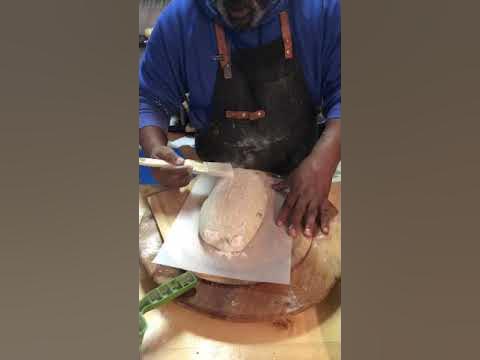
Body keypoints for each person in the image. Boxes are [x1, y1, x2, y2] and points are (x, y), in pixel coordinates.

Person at [139, 0, 341, 239]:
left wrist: (325, 159)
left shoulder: (324, 11)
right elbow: (150, 98)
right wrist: (155, 148)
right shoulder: (181, 19)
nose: (238, 5)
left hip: (304, 177)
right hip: (216, 179)